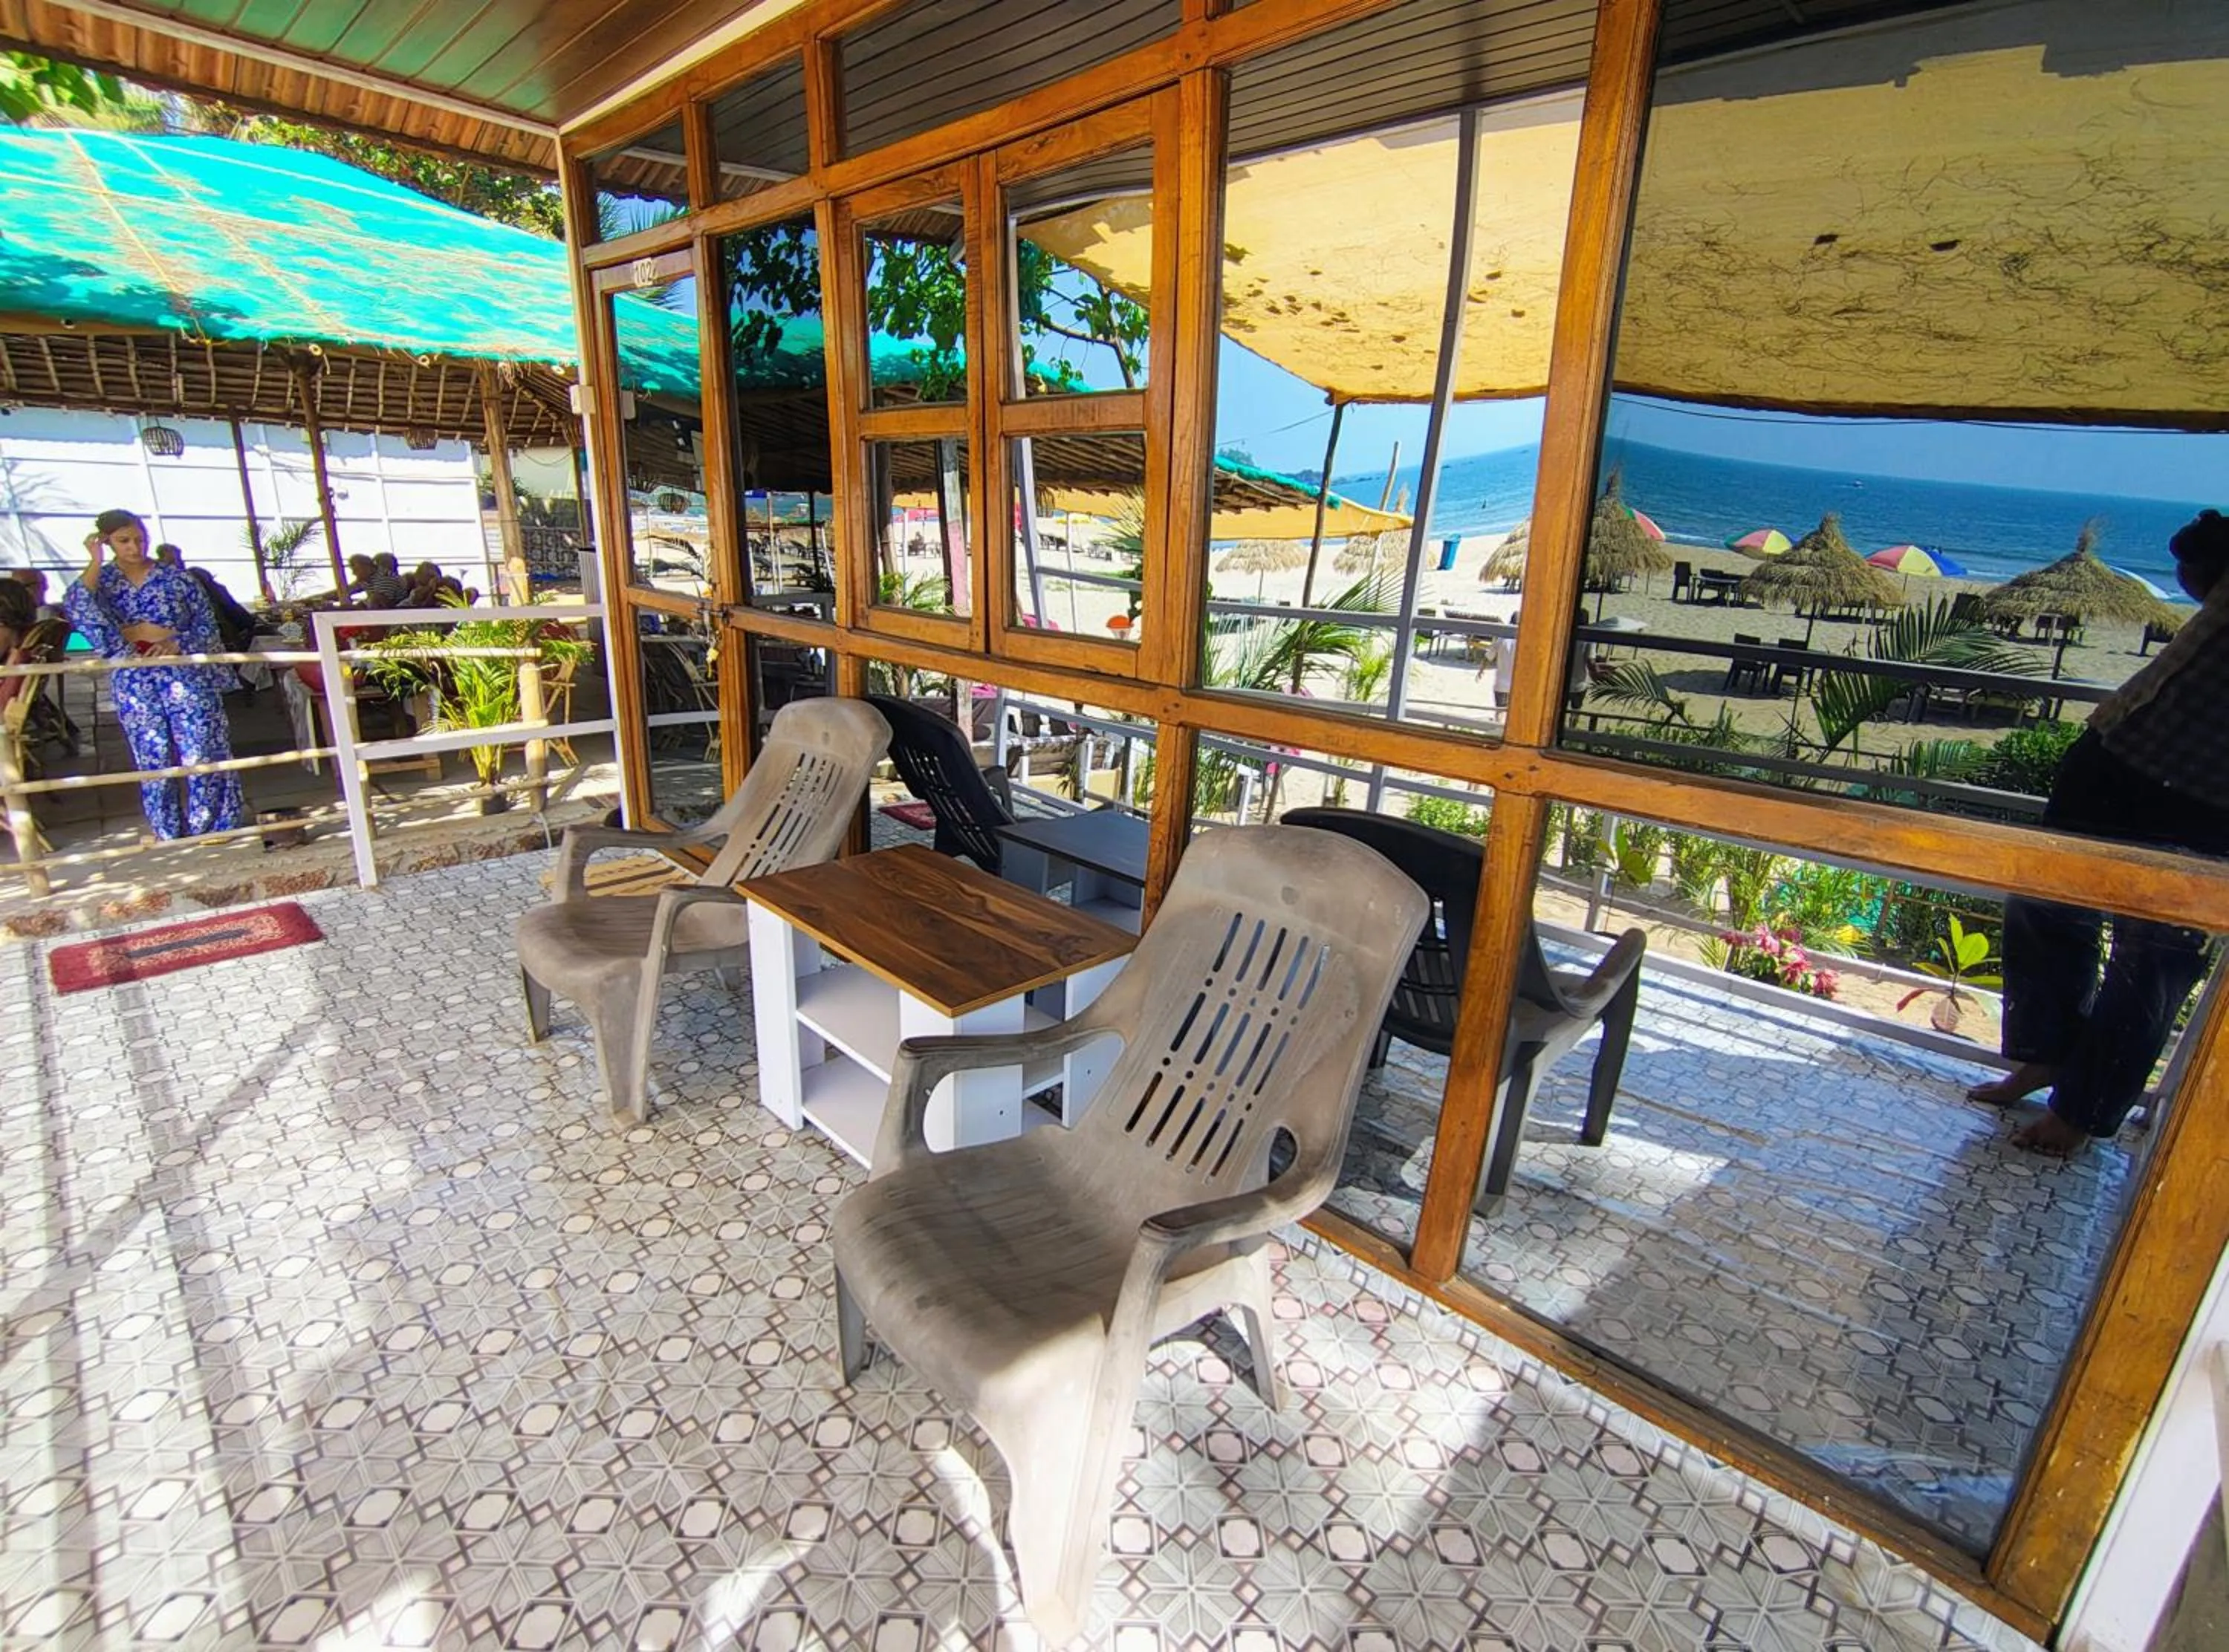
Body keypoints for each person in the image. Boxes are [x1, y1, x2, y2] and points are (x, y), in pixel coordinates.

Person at [1969, 509, 2229, 1154]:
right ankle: (2046, 1056)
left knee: (2155, 958)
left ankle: (2081, 1112)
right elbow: (2192, 576)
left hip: (2211, 794)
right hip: (2121, 750)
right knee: (2045, 905)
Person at [65, 509, 246, 841]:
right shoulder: (101, 581)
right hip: (135, 677)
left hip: (185, 673)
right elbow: (79, 610)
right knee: (153, 754)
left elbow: (207, 624)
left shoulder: (176, 578)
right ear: (107, 542)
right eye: (124, 541)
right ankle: (167, 829)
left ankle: (211, 824)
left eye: (140, 538)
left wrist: (179, 643)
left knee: (201, 746)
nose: (134, 547)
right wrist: (94, 561)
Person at [154, 544, 258, 654]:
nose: (179, 565)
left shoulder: (195, 577)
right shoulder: (163, 589)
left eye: (180, 560)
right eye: (173, 562)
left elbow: (228, 606)